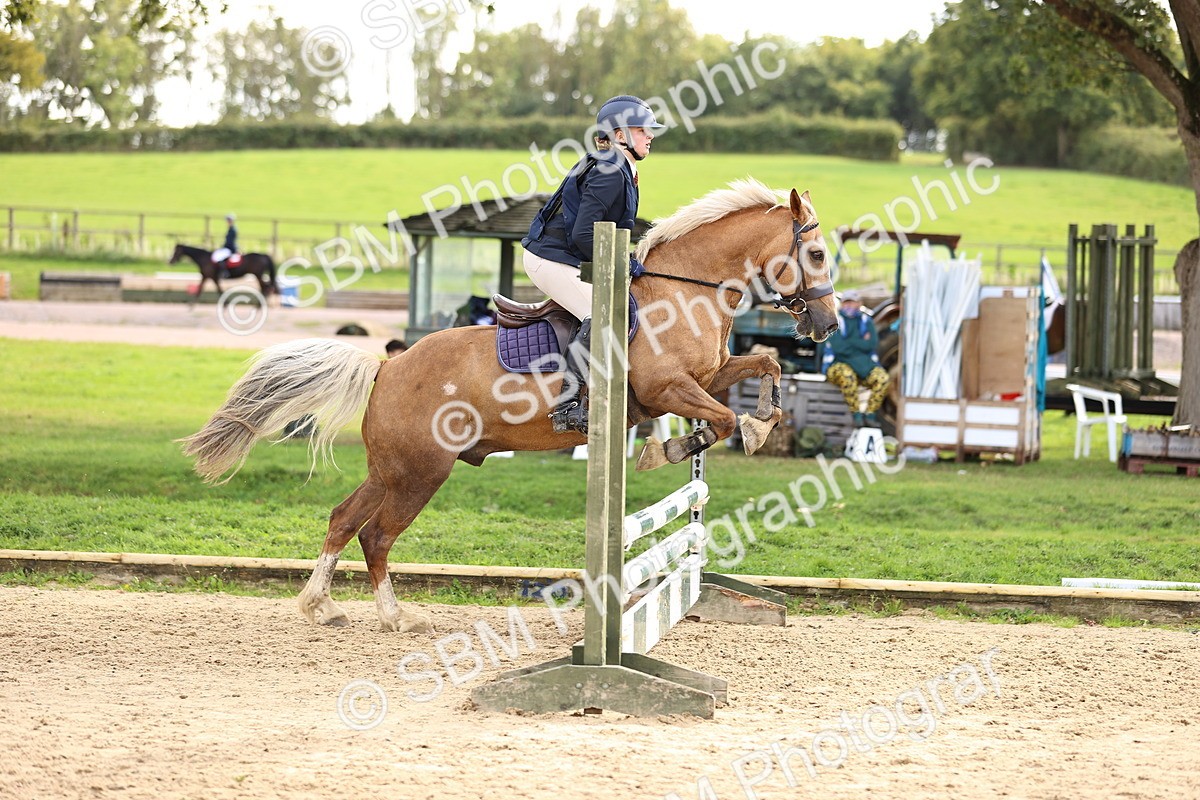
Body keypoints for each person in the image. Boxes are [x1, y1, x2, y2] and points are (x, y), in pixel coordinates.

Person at [521, 95, 663, 433]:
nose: (650, 136)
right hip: (549, 259)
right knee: (599, 317)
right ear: (619, 135)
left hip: (567, 254)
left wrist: (625, 261)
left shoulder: (621, 167)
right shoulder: (611, 170)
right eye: (642, 130)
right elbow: (586, 234)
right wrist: (620, 262)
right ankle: (567, 406)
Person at [821, 289, 889, 427]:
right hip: (837, 365)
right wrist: (860, 342)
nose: (849, 306)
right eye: (847, 303)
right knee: (848, 376)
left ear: (860, 304)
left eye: (852, 303)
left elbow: (871, 344)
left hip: (863, 366)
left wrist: (849, 341)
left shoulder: (866, 321)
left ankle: (870, 415)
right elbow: (838, 348)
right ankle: (856, 415)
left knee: (882, 379)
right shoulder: (834, 320)